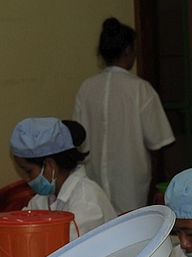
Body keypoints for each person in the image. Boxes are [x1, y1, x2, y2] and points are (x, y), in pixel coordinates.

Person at [72, 17, 175, 214]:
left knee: (99, 227)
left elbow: (78, 138)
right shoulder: (140, 89)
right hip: (130, 188)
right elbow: (158, 141)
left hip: (93, 186)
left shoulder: (87, 88)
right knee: (130, 229)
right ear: (128, 50)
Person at [0, 117, 116, 241]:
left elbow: (64, 247)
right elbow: (19, 224)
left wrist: (2, 232)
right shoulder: (42, 199)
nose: (26, 178)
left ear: (49, 165)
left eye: (28, 171)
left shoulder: (86, 199)